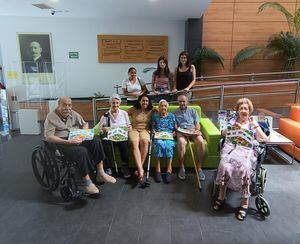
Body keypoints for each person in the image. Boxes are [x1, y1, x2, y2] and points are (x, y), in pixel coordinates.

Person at [44, 96, 116, 195]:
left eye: (69, 105)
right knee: (82, 151)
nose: (67, 108)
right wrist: (69, 142)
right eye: (64, 105)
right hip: (62, 143)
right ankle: (87, 182)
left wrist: (83, 133)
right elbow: (49, 137)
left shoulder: (73, 113)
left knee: (96, 141)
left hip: (76, 137)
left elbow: (85, 123)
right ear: (58, 105)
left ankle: (101, 172)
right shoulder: (51, 117)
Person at [213, 98, 268, 221]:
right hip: (232, 148)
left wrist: (256, 126)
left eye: (246, 109)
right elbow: (223, 133)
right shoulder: (232, 120)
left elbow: (264, 139)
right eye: (241, 108)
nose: (244, 110)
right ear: (237, 111)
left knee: (244, 168)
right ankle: (221, 196)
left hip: (246, 151)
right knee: (224, 165)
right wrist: (232, 128)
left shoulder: (252, 122)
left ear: (249, 111)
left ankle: (244, 202)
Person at [99, 93, 132, 179]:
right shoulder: (105, 115)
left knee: (124, 144)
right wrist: (104, 129)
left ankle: (125, 166)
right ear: (110, 103)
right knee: (105, 144)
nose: (115, 105)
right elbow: (100, 130)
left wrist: (128, 128)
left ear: (119, 103)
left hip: (121, 136)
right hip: (110, 137)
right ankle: (108, 167)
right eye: (113, 103)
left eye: (117, 103)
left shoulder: (124, 113)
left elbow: (129, 126)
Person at [173, 94, 205, 181]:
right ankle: (182, 167)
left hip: (192, 130)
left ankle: (199, 168)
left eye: (184, 101)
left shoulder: (193, 111)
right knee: (181, 142)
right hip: (181, 131)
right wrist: (178, 130)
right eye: (180, 101)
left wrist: (197, 130)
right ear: (178, 102)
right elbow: (175, 126)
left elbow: (197, 123)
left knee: (201, 142)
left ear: (187, 102)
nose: (182, 103)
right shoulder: (174, 112)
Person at [127, 94, 155, 185]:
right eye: (143, 100)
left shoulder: (152, 109)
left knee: (145, 142)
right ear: (139, 101)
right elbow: (122, 115)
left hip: (145, 130)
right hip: (134, 129)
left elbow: (163, 111)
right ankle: (141, 170)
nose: (145, 102)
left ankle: (139, 168)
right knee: (135, 143)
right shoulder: (133, 109)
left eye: (147, 101)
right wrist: (128, 124)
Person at [152, 99, 176, 183]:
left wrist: (174, 133)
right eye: (161, 106)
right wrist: (154, 131)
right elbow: (152, 127)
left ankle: (169, 169)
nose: (163, 107)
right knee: (159, 144)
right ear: (159, 107)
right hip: (158, 136)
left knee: (169, 145)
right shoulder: (155, 116)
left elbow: (175, 127)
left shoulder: (172, 116)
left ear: (167, 107)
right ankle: (158, 169)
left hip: (169, 136)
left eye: (165, 106)